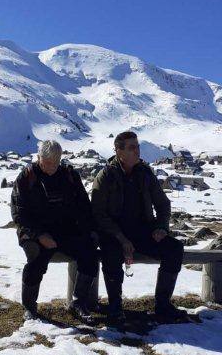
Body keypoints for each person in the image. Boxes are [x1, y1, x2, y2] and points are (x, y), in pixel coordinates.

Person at [91, 131, 185, 323]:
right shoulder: (106, 176)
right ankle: (115, 307)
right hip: (113, 233)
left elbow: (163, 204)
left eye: (137, 146)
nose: (137, 151)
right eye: (132, 147)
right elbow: (98, 214)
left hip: (143, 231)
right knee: (111, 254)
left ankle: (163, 305)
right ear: (119, 151)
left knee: (174, 249)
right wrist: (121, 237)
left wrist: (161, 227)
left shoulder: (145, 173)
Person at [11, 139, 99, 322]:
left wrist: (89, 231)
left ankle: (78, 302)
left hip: (65, 230)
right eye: (48, 162)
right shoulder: (26, 177)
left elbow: (84, 206)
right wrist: (40, 235)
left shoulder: (69, 175)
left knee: (89, 253)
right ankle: (29, 306)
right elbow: (19, 214)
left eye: (56, 162)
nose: (52, 167)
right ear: (39, 158)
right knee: (36, 257)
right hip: (33, 232)